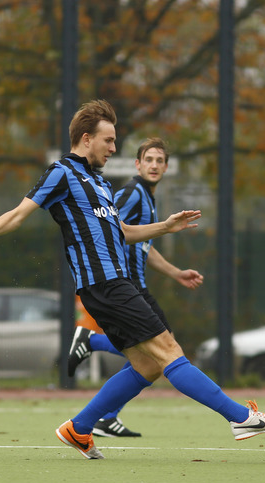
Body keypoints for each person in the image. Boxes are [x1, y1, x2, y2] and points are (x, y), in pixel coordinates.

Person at [0, 100, 265, 459]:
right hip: (104, 284)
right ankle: (242, 418)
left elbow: (121, 231)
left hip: (114, 284)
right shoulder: (61, 173)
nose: (114, 148)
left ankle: (79, 428)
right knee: (169, 352)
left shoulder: (100, 184)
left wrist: (165, 226)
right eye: (109, 140)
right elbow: (19, 213)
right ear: (86, 139)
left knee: (148, 366)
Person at [67, 137, 204, 438]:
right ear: (137, 164)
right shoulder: (131, 193)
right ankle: (91, 346)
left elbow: (142, 242)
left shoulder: (147, 196)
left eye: (159, 160)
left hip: (134, 283)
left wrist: (176, 273)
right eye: (149, 159)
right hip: (126, 285)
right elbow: (115, 232)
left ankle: (101, 413)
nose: (154, 165)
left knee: (155, 355)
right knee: (164, 352)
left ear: (166, 166)